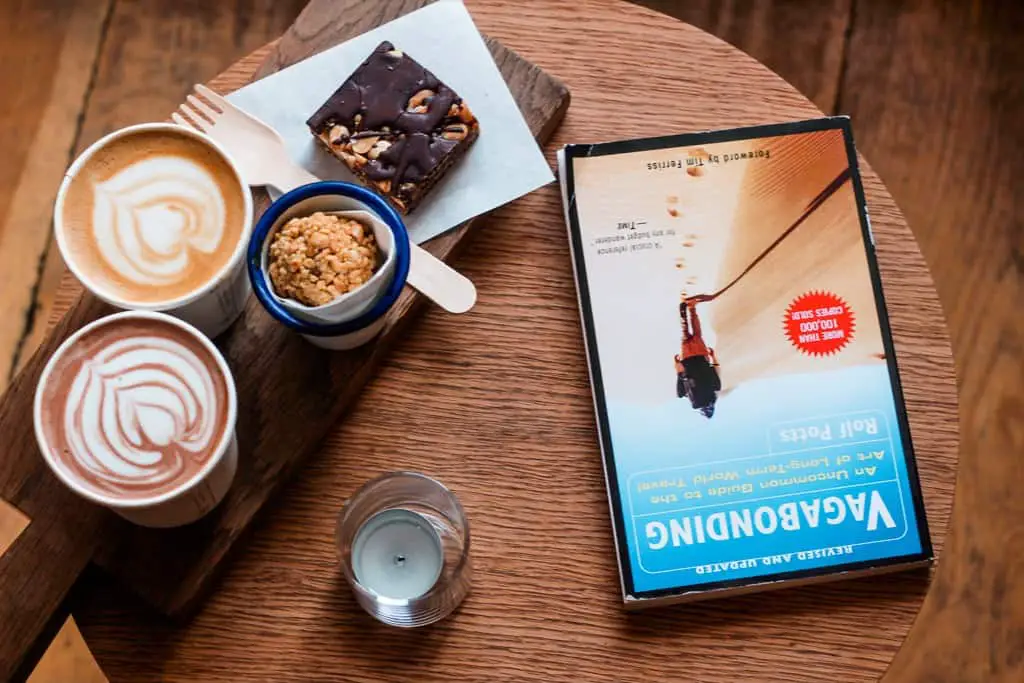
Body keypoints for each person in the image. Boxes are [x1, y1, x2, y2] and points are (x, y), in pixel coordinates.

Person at [674, 295, 721, 418]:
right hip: (687, 360)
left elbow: (715, 370)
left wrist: (713, 356)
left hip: (701, 357)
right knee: (685, 336)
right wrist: (678, 367)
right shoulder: (692, 399)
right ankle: (684, 310)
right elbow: (681, 386)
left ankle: (691, 307)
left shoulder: (714, 390)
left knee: (697, 334)